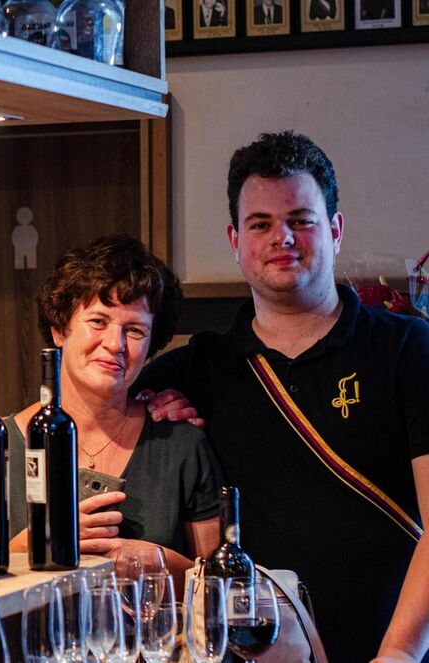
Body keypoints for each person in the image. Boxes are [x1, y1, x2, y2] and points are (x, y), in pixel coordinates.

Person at [136, 131, 429, 663]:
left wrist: (400, 653)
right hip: (260, 654)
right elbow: (96, 405)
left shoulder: (407, 348)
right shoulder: (199, 367)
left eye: (301, 220)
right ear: (235, 240)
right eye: (261, 224)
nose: (282, 238)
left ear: (335, 230)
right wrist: (148, 408)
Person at [7, 235, 222, 581]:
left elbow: (215, 585)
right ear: (59, 330)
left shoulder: (182, 446)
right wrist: (35, 545)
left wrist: (152, 561)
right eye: (98, 321)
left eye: (135, 330)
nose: (114, 344)